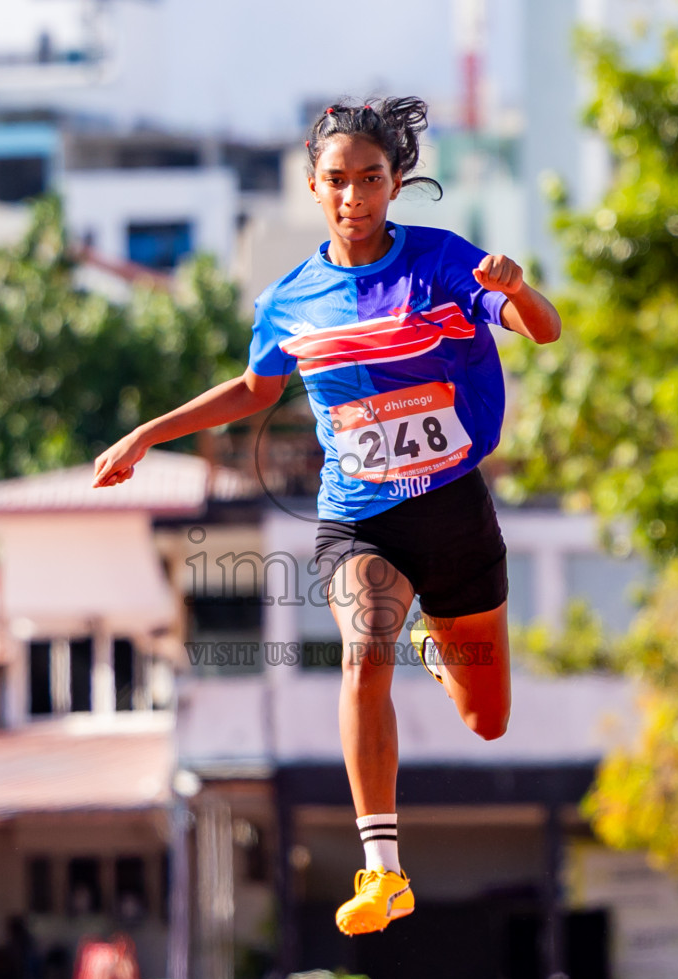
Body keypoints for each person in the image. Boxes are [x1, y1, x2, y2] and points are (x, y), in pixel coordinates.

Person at [93, 95, 561, 936]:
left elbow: (545, 332)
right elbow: (254, 390)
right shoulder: (289, 300)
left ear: (396, 182)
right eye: (337, 182)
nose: (355, 198)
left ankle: (434, 639)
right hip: (358, 518)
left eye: (371, 180)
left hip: (452, 509)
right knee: (362, 650)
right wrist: (144, 434)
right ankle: (383, 870)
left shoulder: (442, 262)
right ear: (313, 187)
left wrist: (519, 291)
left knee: (487, 720)